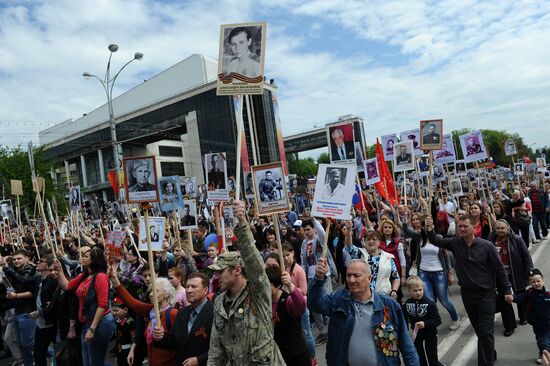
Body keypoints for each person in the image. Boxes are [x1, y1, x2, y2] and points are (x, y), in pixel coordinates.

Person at [207, 199, 286, 365]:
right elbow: (216, 350)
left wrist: (242, 224)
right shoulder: (220, 302)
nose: (216, 277)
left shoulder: (257, 291)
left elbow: (253, 261)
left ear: (237, 270)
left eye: (221, 271)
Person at [427, 215, 513, 366]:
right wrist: (429, 228)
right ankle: (490, 353)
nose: (461, 229)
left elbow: (499, 270)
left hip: (486, 294)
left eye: (465, 226)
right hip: (468, 295)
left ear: (474, 227)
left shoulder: (487, 246)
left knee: (486, 332)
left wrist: (507, 290)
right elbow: (435, 240)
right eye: (459, 226)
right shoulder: (455, 243)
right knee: (481, 331)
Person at [309, 258, 419, 365]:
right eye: (348, 275)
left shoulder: (390, 306)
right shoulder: (338, 300)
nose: (351, 280)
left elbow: (407, 346)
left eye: (356, 275)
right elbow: (315, 304)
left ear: (369, 278)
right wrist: (319, 278)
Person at [54, 247, 115, 366]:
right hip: (87, 322)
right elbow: (67, 286)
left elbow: (102, 305)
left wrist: (92, 329)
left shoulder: (101, 277)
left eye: (86, 256)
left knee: (95, 361)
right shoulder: (85, 275)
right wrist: (60, 270)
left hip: (100, 323)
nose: (81, 258)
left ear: (94, 260)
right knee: (87, 361)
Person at [153, 272, 214, 366]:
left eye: (194, 286)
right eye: (187, 286)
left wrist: (199, 360)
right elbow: (174, 340)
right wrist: (161, 337)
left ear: (205, 290)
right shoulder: (182, 312)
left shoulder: (214, 313)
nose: (188, 290)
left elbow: (221, 348)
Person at [488, 220, 533, 335]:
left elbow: (526, 257)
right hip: (500, 276)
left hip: (516, 273)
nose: (500, 231)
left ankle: (523, 317)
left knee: (520, 296)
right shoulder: (491, 241)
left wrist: (530, 273)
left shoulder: (517, 239)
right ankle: (509, 326)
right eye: (498, 228)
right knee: (505, 301)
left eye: (502, 228)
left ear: (508, 228)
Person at [300, 218, 337, 346]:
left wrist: (315, 219)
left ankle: (333, 329)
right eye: (304, 230)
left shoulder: (319, 240)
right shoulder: (304, 243)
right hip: (311, 277)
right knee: (313, 304)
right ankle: (322, 331)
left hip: (323, 275)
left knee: (328, 302)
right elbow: (303, 260)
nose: (306, 232)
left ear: (313, 229)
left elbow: (323, 234)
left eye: (308, 229)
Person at [265, 265, 310, 365]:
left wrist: (290, 285)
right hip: (278, 358)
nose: (264, 288)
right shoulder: (264, 304)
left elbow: (301, 306)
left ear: (277, 285)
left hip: (297, 356)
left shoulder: (288, 300)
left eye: (268, 284)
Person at [0, 250, 38, 366]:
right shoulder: (13, 271)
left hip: (28, 311)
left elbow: (27, 286)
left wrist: (7, 268)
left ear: (26, 258)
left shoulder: (32, 270)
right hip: (17, 311)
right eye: (15, 259)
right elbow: (8, 284)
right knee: (19, 342)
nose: (16, 261)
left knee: (28, 343)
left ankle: (48, 353)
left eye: (19, 258)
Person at [403, 276, 444, 366]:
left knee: (432, 359)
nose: (418, 293)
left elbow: (437, 320)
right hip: (417, 335)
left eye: (420, 290)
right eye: (415, 290)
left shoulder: (430, 303)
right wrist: (405, 329)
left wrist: (425, 323)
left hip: (430, 334)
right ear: (409, 291)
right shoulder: (407, 303)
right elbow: (404, 317)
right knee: (420, 358)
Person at [513, 268, 550, 365]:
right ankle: (544, 354)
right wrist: (513, 298)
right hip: (538, 325)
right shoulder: (529, 293)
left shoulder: (548, 294)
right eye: (533, 282)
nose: (536, 283)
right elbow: (520, 298)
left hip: (548, 323)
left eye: (538, 281)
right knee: (542, 341)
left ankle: (544, 355)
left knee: (545, 341)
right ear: (529, 283)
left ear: (543, 280)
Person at [111, 297, 135, 366]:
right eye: (113, 311)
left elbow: (133, 340)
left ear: (125, 310)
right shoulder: (118, 321)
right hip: (120, 351)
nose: (114, 313)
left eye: (116, 311)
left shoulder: (129, 322)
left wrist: (132, 353)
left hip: (128, 351)